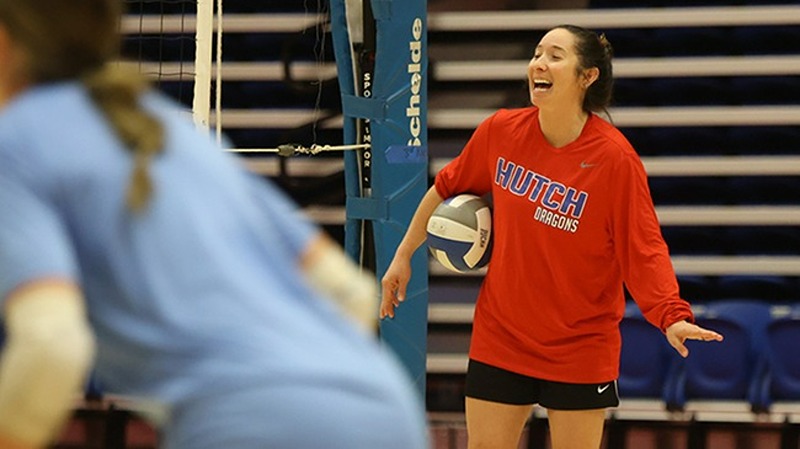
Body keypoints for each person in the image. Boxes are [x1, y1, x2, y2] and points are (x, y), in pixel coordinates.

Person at [0, 1, 428, 448]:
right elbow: (350, 294)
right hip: (380, 406)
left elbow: (50, 343)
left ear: (6, 39)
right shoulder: (164, 128)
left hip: (246, 422)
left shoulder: (18, 143)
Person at [381, 24, 724, 449]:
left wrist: (671, 315)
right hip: (501, 335)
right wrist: (403, 255)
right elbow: (445, 189)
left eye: (556, 56)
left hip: (581, 345)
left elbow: (644, 249)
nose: (539, 63)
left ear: (587, 76)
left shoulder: (615, 160)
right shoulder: (500, 131)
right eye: (537, 53)